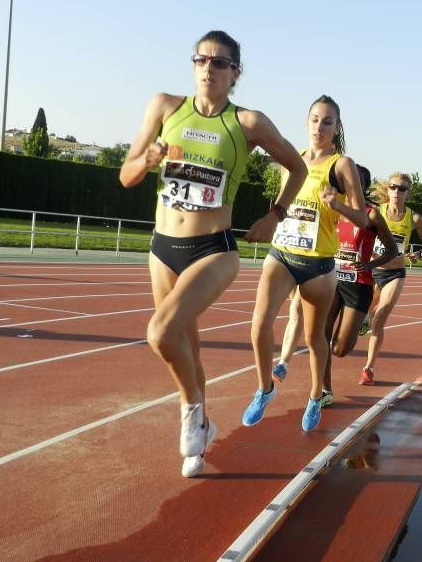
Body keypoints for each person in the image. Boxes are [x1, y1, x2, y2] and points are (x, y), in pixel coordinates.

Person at [119, 31, 307, 477]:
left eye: (219, 63)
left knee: (161, 334)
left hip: (214, 249)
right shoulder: (164, 107)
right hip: (163, 248)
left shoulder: (246, 123)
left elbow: (297, 166)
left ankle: (191, 415)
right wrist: (148, 160)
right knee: (187, 345)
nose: (208, 68)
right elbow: (126, 176)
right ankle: (199, 442)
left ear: (235, 73)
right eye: (201, 59)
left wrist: (276, 214)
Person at [242, 95, 367, 432]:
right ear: (306, 121)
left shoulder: (342, 165)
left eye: (327, 121)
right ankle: (265, 388)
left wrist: (336, 205)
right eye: (314, 119)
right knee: (259, 325)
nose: (319, 127)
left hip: (318, 265)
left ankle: (314, 396)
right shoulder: (292, 158)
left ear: (336, 127)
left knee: (315, 341)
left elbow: (362, 217)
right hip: (282, 253)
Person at [321, 165, 398, 404]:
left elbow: (392, 250)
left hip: (359, 285)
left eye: (353, 181)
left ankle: (362, 319)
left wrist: (371, 265)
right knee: (320, 337)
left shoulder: (372, 215)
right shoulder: (333, 211)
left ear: (362, 186)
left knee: (339, 349)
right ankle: (324, 391)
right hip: (332, 280)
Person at [358, 173, 422, 385]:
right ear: (388, 189)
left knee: (379, 319)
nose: (396, 192)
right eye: (393, 187)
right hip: (371, 271)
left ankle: (368, 368)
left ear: (408, 192)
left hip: (395, 273)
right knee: (368, 314)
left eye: (402, 189)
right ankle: (363, 317)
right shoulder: (376, 212)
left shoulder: (414, 218)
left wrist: (418, 254)